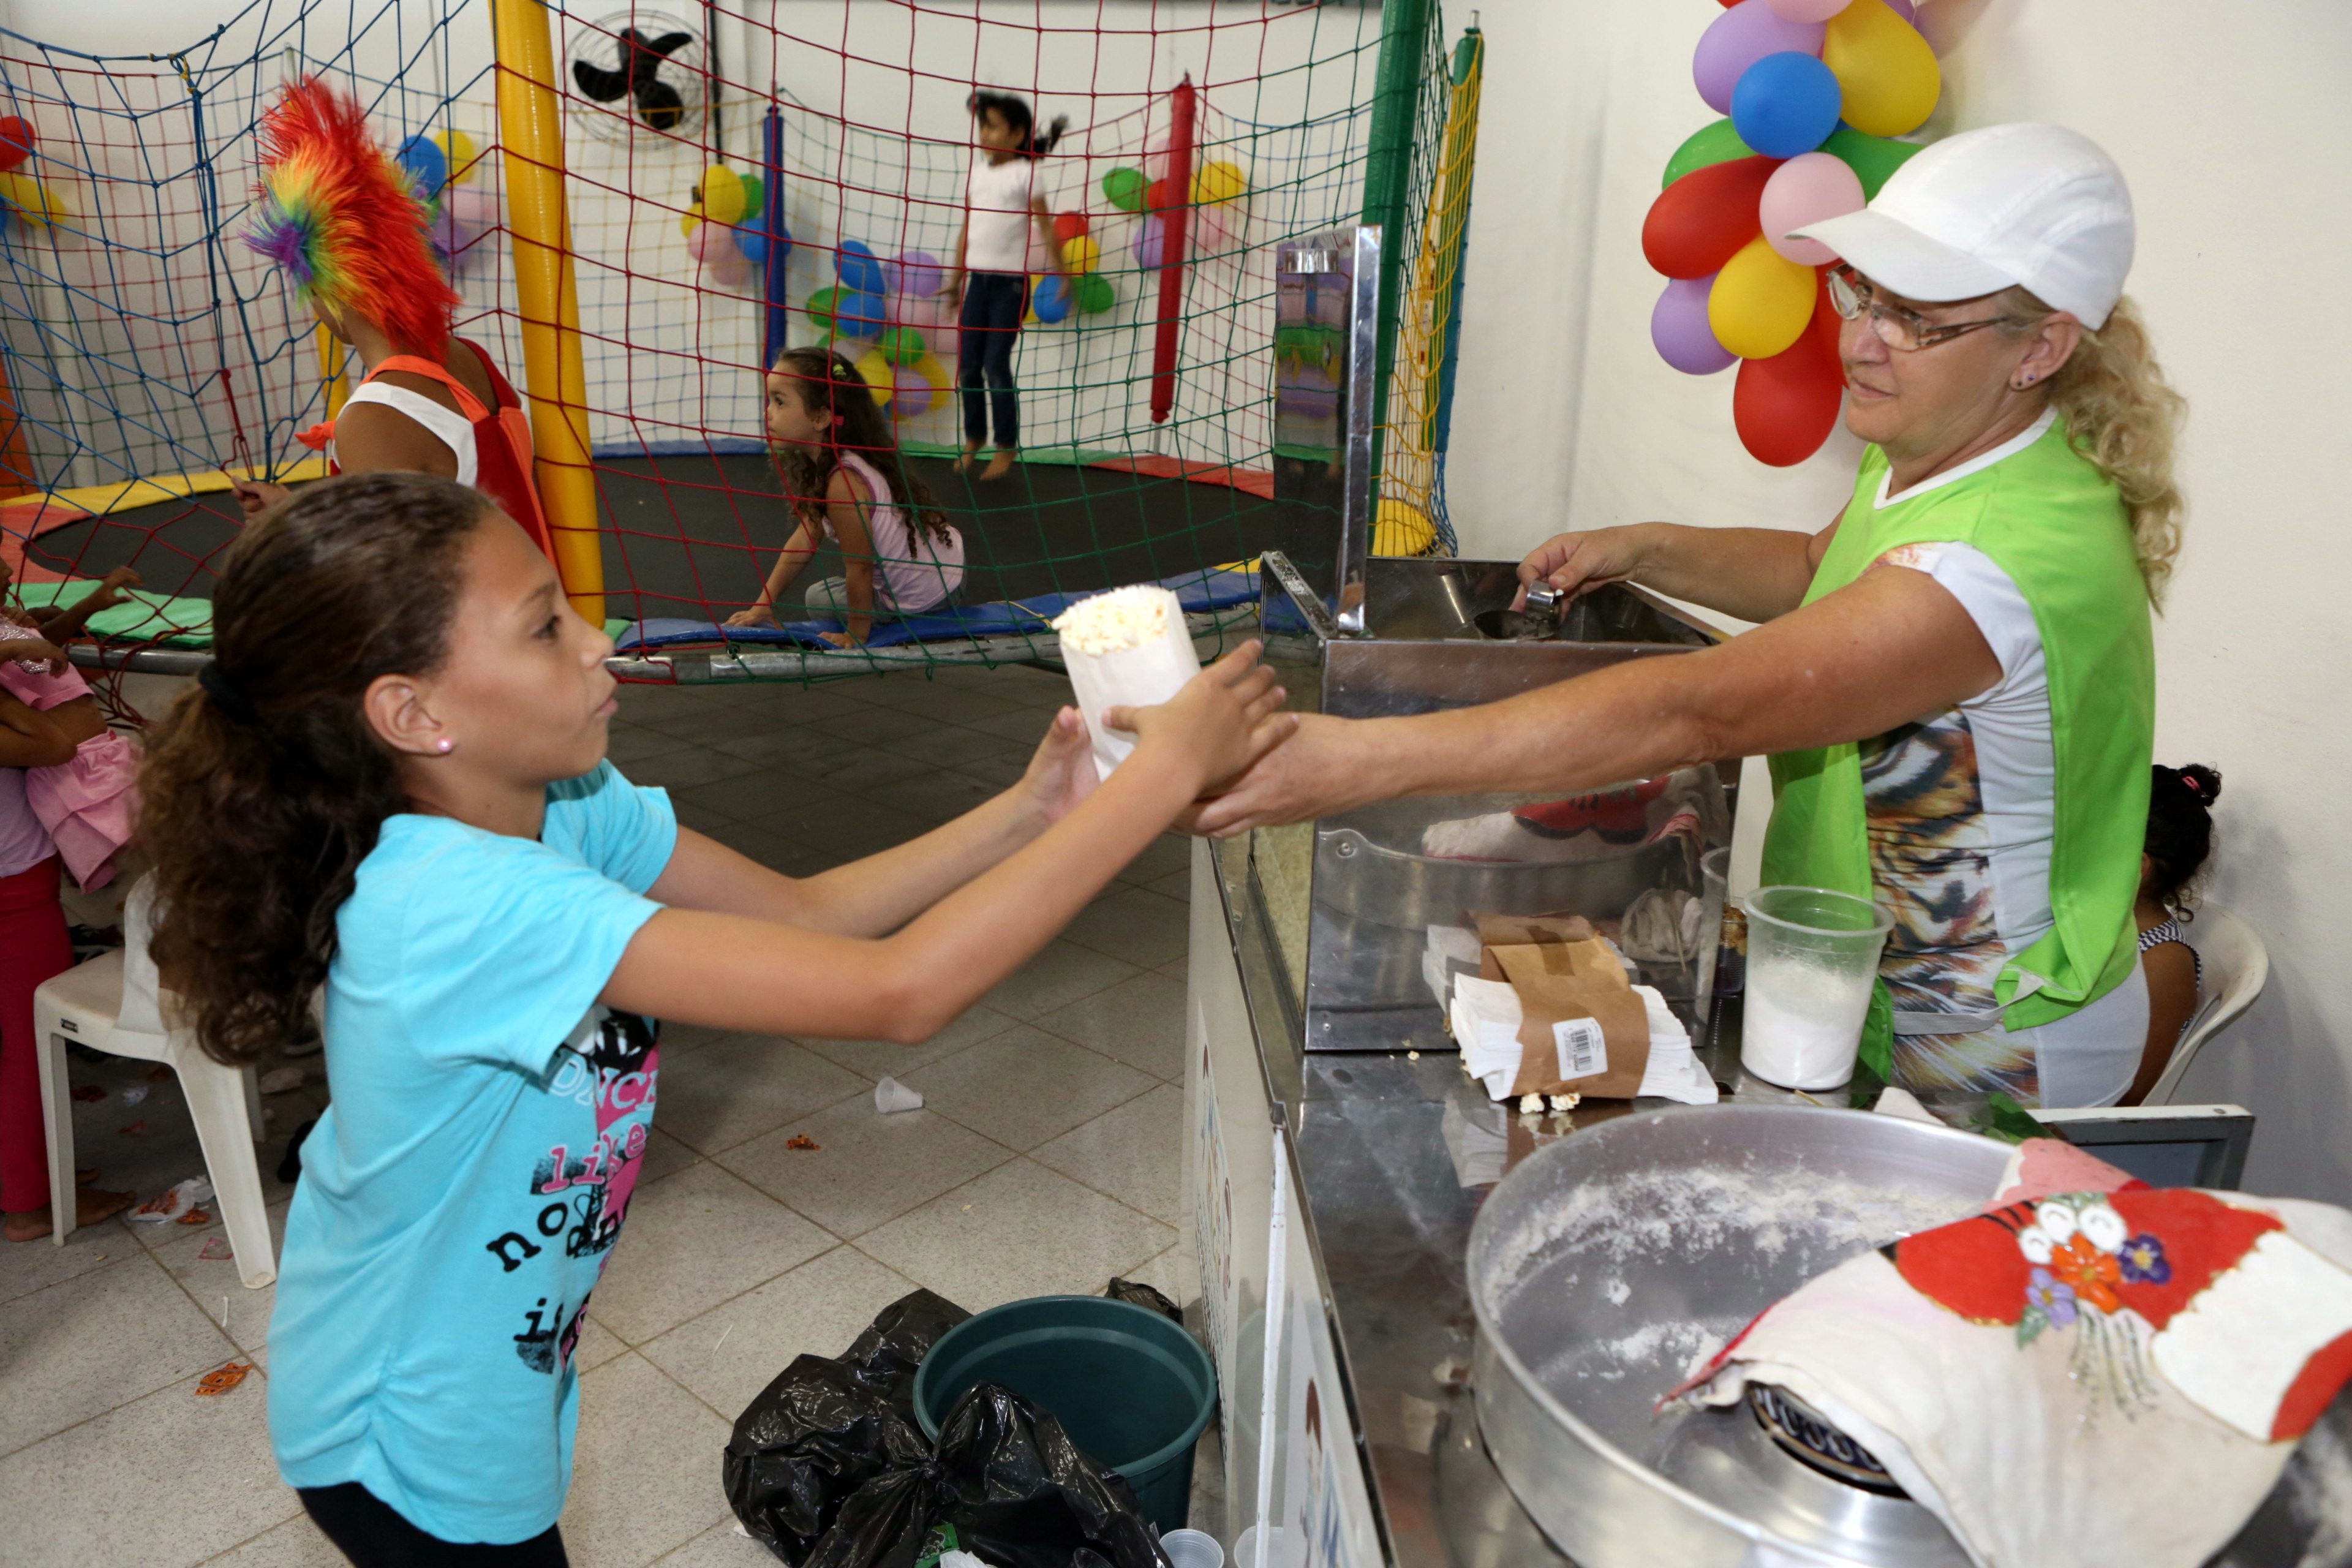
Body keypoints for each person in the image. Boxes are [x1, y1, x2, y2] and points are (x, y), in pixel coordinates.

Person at [135, 470, 1290, 1564]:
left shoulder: (565, 806)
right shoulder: (451, 905)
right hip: (404, 1420)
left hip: (494, 1370)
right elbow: (901, 994)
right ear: (413, 710)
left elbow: (813, 914)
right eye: (545, 627)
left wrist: (1034, 811)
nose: (602, 641)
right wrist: (1158, 779)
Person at [1197, 124, 2185, 1111]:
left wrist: (1355, 759)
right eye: (1864, 293)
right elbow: (1818, 571)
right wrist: (1644, 547)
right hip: (1868, 975)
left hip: (1991, 1037)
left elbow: (1701, 713)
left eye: (1916, 319)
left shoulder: (1995, 561)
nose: (1860, 339)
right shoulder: (1949, 432)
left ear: (2042, 346)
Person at [231, 77, 551, 555]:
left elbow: (385, 578)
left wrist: (282, 536)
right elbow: (445, 503)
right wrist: (293, 509)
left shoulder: (376, 415)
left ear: (330, 287)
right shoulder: (470, 358)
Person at [0, 687, 134, 1242]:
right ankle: (29, 1203)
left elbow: (42, 664)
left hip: (15, 883)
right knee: (28, 1047)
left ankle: (26, 1173)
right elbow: (53, 744)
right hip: (11, 892)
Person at [724, 346, 965, 645]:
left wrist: (856, 633)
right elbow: (805, 539)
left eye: (780, 402)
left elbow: (860, 567)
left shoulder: (843, 485)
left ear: (821, 418)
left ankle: (896, 619)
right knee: (826, 592)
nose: (768, 412)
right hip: (948, 574)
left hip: (927, 600)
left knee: (819, 598)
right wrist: (763, 604)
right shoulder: (840, 460)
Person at [941, 89, 1069, 482]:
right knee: (967, 368)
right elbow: (968, 227)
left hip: (1010, 286)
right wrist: (955, 279)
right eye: (982, 125)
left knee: (996, 365)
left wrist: (1062, 274)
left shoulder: (1027, 173)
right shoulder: (978, 173)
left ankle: (1006, 446)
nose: (985, 133)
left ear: (1017, 135)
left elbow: (1045, 226)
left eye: (993, 126)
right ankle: (974, 437)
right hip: (977, 284)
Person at [0, 560, 145, 890]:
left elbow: (38, 652)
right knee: (177, 840)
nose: (9, 570)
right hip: (73, 772)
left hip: (101, 755)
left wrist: (89, 605)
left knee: (173, 840)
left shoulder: (4, 618)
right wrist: (9, 646)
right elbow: (17, 651)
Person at [2125, 763, 2220, 1105]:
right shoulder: (2094, 926)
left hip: (2062, 1123)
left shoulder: (2163, 961)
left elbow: (2131, 1094)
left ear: (2137, 867)